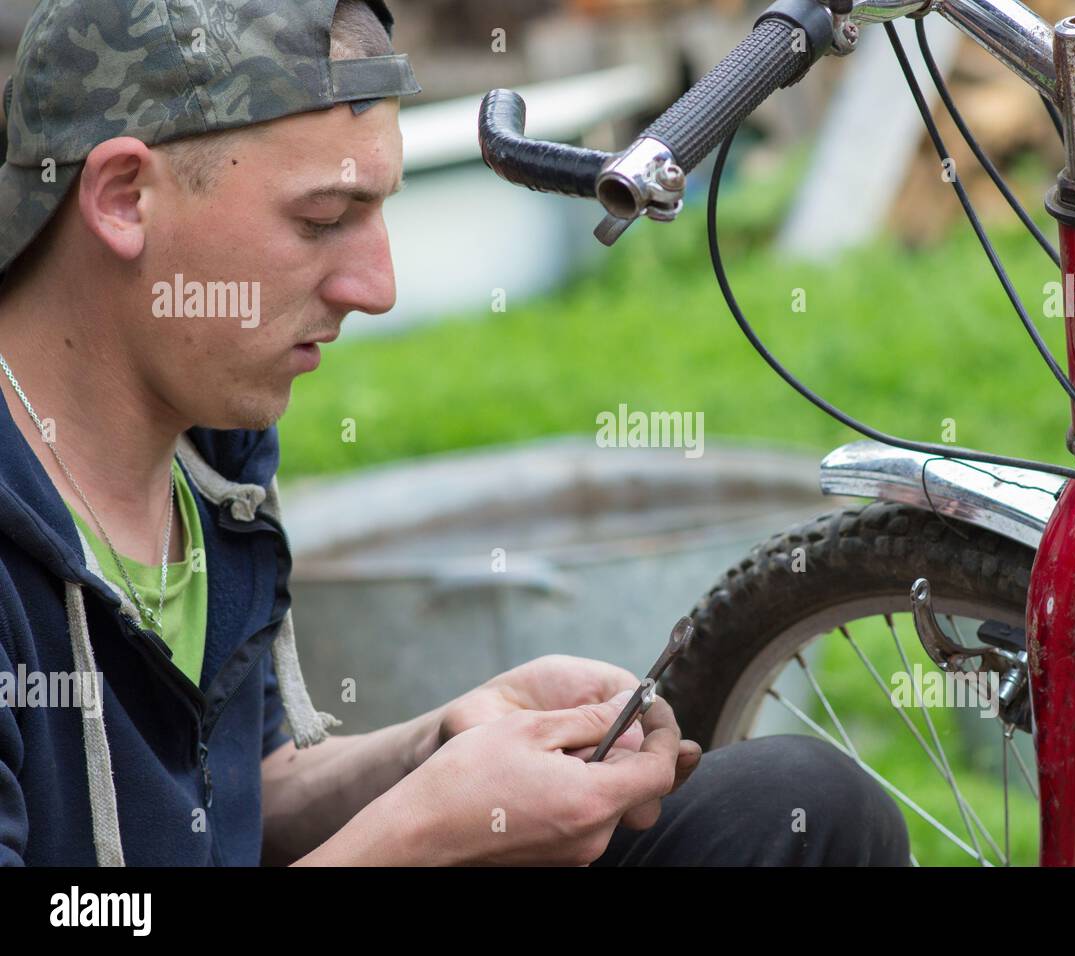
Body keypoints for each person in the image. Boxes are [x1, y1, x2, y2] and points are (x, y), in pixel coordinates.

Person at [0, 0, 909, 866]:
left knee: (801, 805)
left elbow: (237, 803)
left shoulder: (210, 457)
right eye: (322, 218)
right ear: (124, 198)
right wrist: (418, 837)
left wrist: (439, 745)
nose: (377, 285)